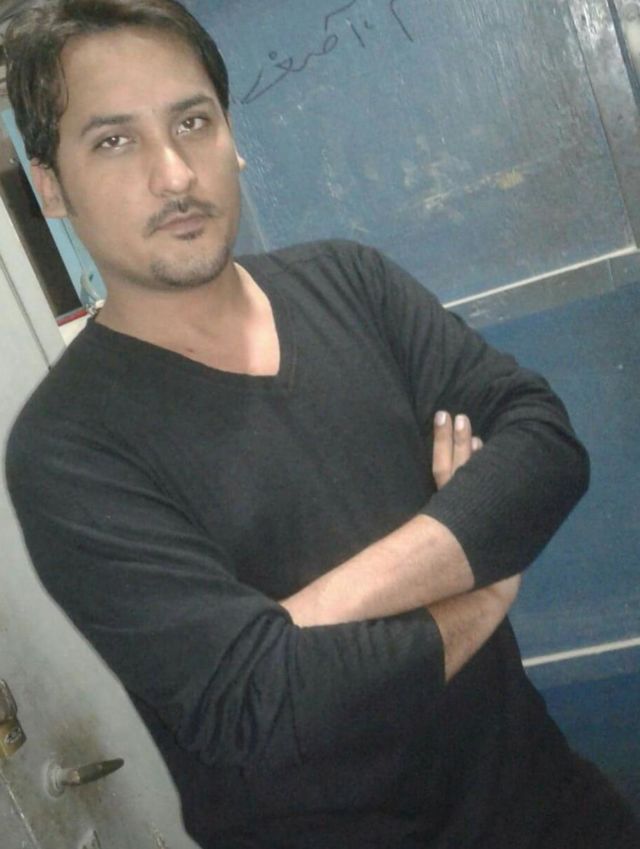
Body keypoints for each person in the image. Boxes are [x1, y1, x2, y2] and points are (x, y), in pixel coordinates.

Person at [3, 1, 639, 847]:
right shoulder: (65, 451)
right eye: (114, 140)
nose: (174, 173)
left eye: (192, 121)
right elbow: (263, 704)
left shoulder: (350, 282)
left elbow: (546, 446)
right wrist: (480, 579)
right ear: (51, 187)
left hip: (548, 801)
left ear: (231, 135)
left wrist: (298, 621)